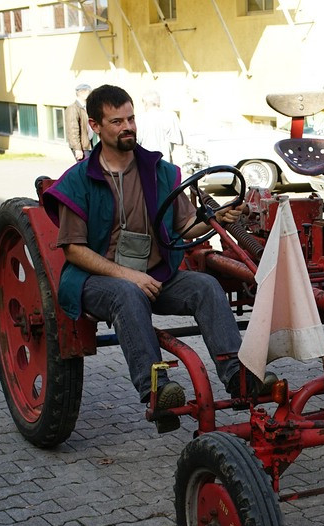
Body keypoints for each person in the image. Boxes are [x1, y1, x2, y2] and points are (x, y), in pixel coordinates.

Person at [43, 84, 246, 432]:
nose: (128, 127)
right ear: (95, 126)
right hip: (97, 282)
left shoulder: (160, 170)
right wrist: (128, 276)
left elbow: (184, 226)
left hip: (156, 276)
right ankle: (157, 389)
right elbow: (74, 249)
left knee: (206, 286)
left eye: (131, 118)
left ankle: (238, 375)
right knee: (128, 293)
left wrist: (215, 218)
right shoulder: (78, 179)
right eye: (117, 121)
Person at [136, 91, 183, 163]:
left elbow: (136, 143)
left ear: (145, 103)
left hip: (146, 161)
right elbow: (178, 141)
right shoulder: (171, 116)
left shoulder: (139, 119)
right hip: (165, 161)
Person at [64, 83, 93, 162]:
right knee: (85, 170)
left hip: (88, 143)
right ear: (81, 93)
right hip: (82, 146)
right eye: (88, 92)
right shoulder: (73, 109)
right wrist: (77, 149)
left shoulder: (86, 107)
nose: (90, 94)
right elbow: (73, 130)